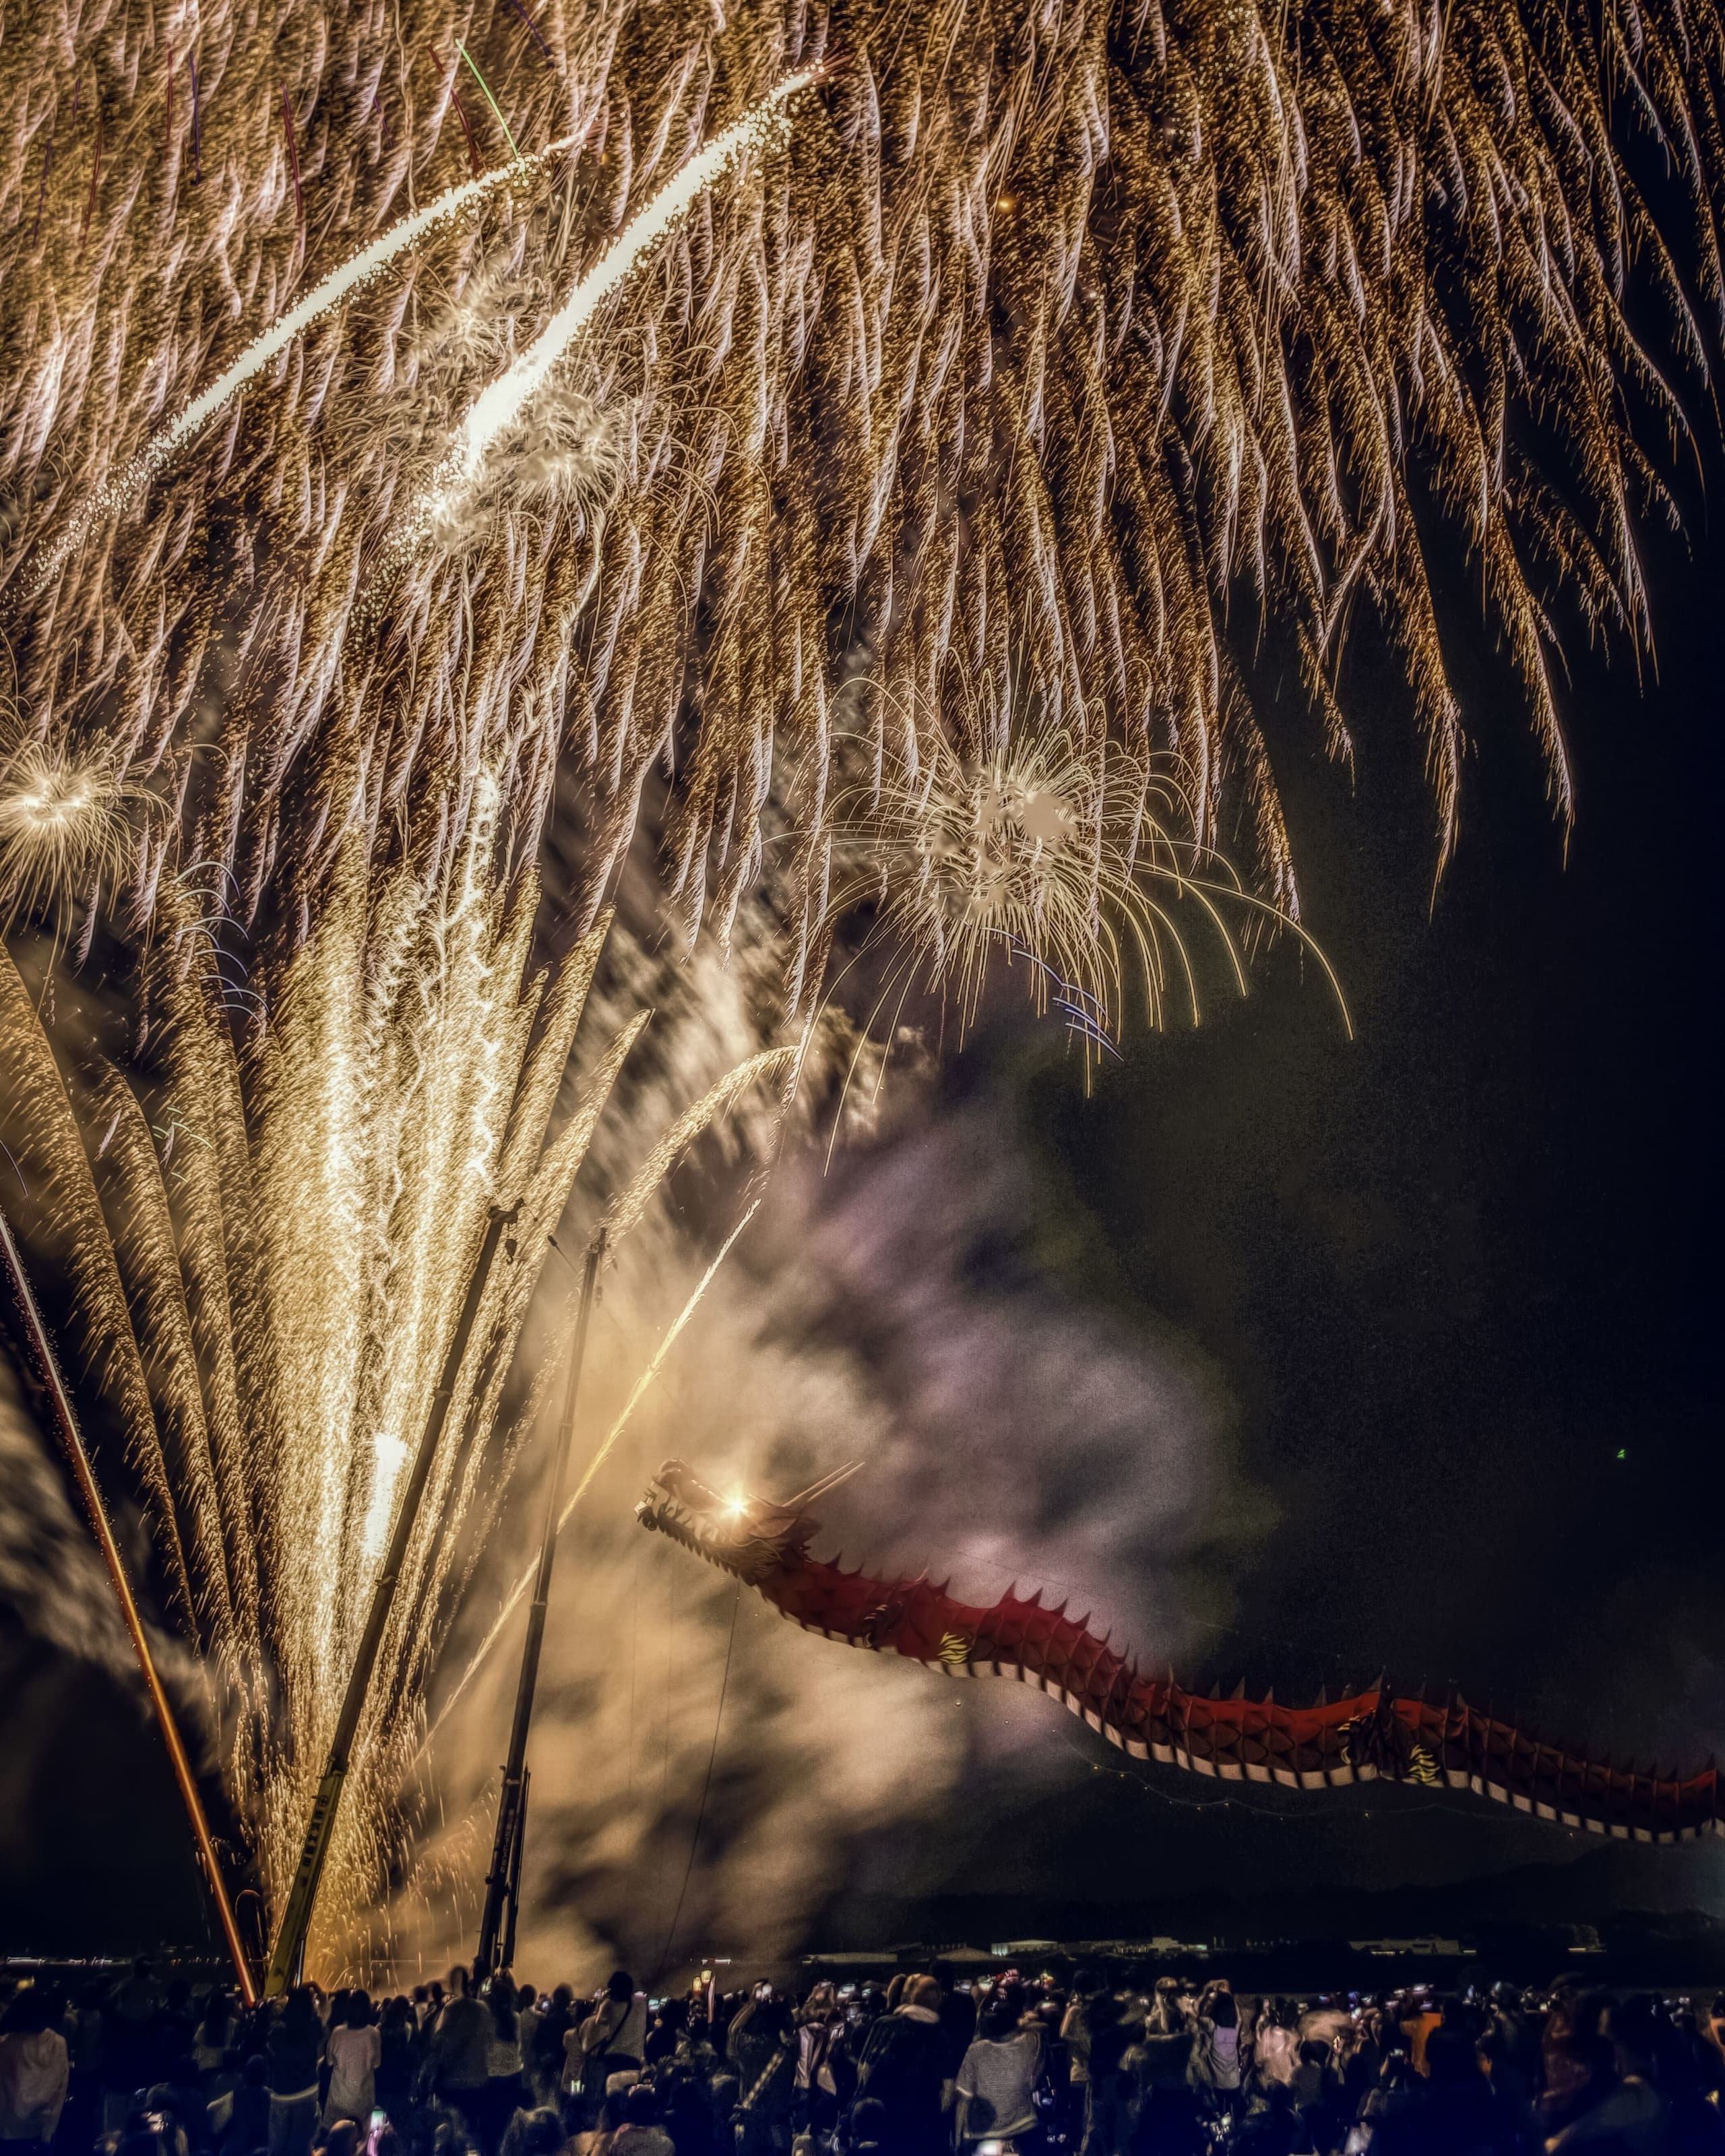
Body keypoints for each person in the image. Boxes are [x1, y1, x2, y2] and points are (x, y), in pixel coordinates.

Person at [851, 1973, 948, 2156]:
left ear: (907, 1996)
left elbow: (864, 2071)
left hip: (888, 2120)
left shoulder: (886, 2026)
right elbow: (948, 2089)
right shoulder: (941, 2035)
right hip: (926, 2125)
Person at [955, 1996, 1043, 2149]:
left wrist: (958, 2139)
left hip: (981, 2132)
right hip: (1022, 2125)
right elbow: (1035, 2027)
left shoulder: (976, 2050)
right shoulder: (1029, 2042)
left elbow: (965, 2098)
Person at [0, 1987, 69, 2154]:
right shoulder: (58, 2043)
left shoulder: (6, 2045)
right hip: (40, 2126)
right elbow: (60, 2089)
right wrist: (49, 2132)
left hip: (7, 2127)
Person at [427, 1969, 491, 2121]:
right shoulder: (484, 2009)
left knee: (453, 2127)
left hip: (454, 2082)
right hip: (479, 2079)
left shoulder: (452, 2008)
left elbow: (437, 2040)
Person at [265, 1991, 324, 2156]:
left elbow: (271, 2051)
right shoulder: (315, 2026)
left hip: (281, 2092)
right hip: (307, 2090)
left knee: (278, 2144)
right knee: (301, 2143)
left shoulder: (277, 2029)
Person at [573, 1975, 646, 2104]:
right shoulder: (641, 2003)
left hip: (614, 2060)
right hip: (634, 2061)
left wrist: (602, 1999)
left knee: (609, 2100)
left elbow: (599, 2020)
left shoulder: (609, 2004)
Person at [324, 1995, 381, 2132]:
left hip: (338, 2098)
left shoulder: (337, 2032)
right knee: (358, 2137)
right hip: (362, 2099)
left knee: (335, 2137)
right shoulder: (373, 2033)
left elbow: (330, 2062)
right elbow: (376, 2064)